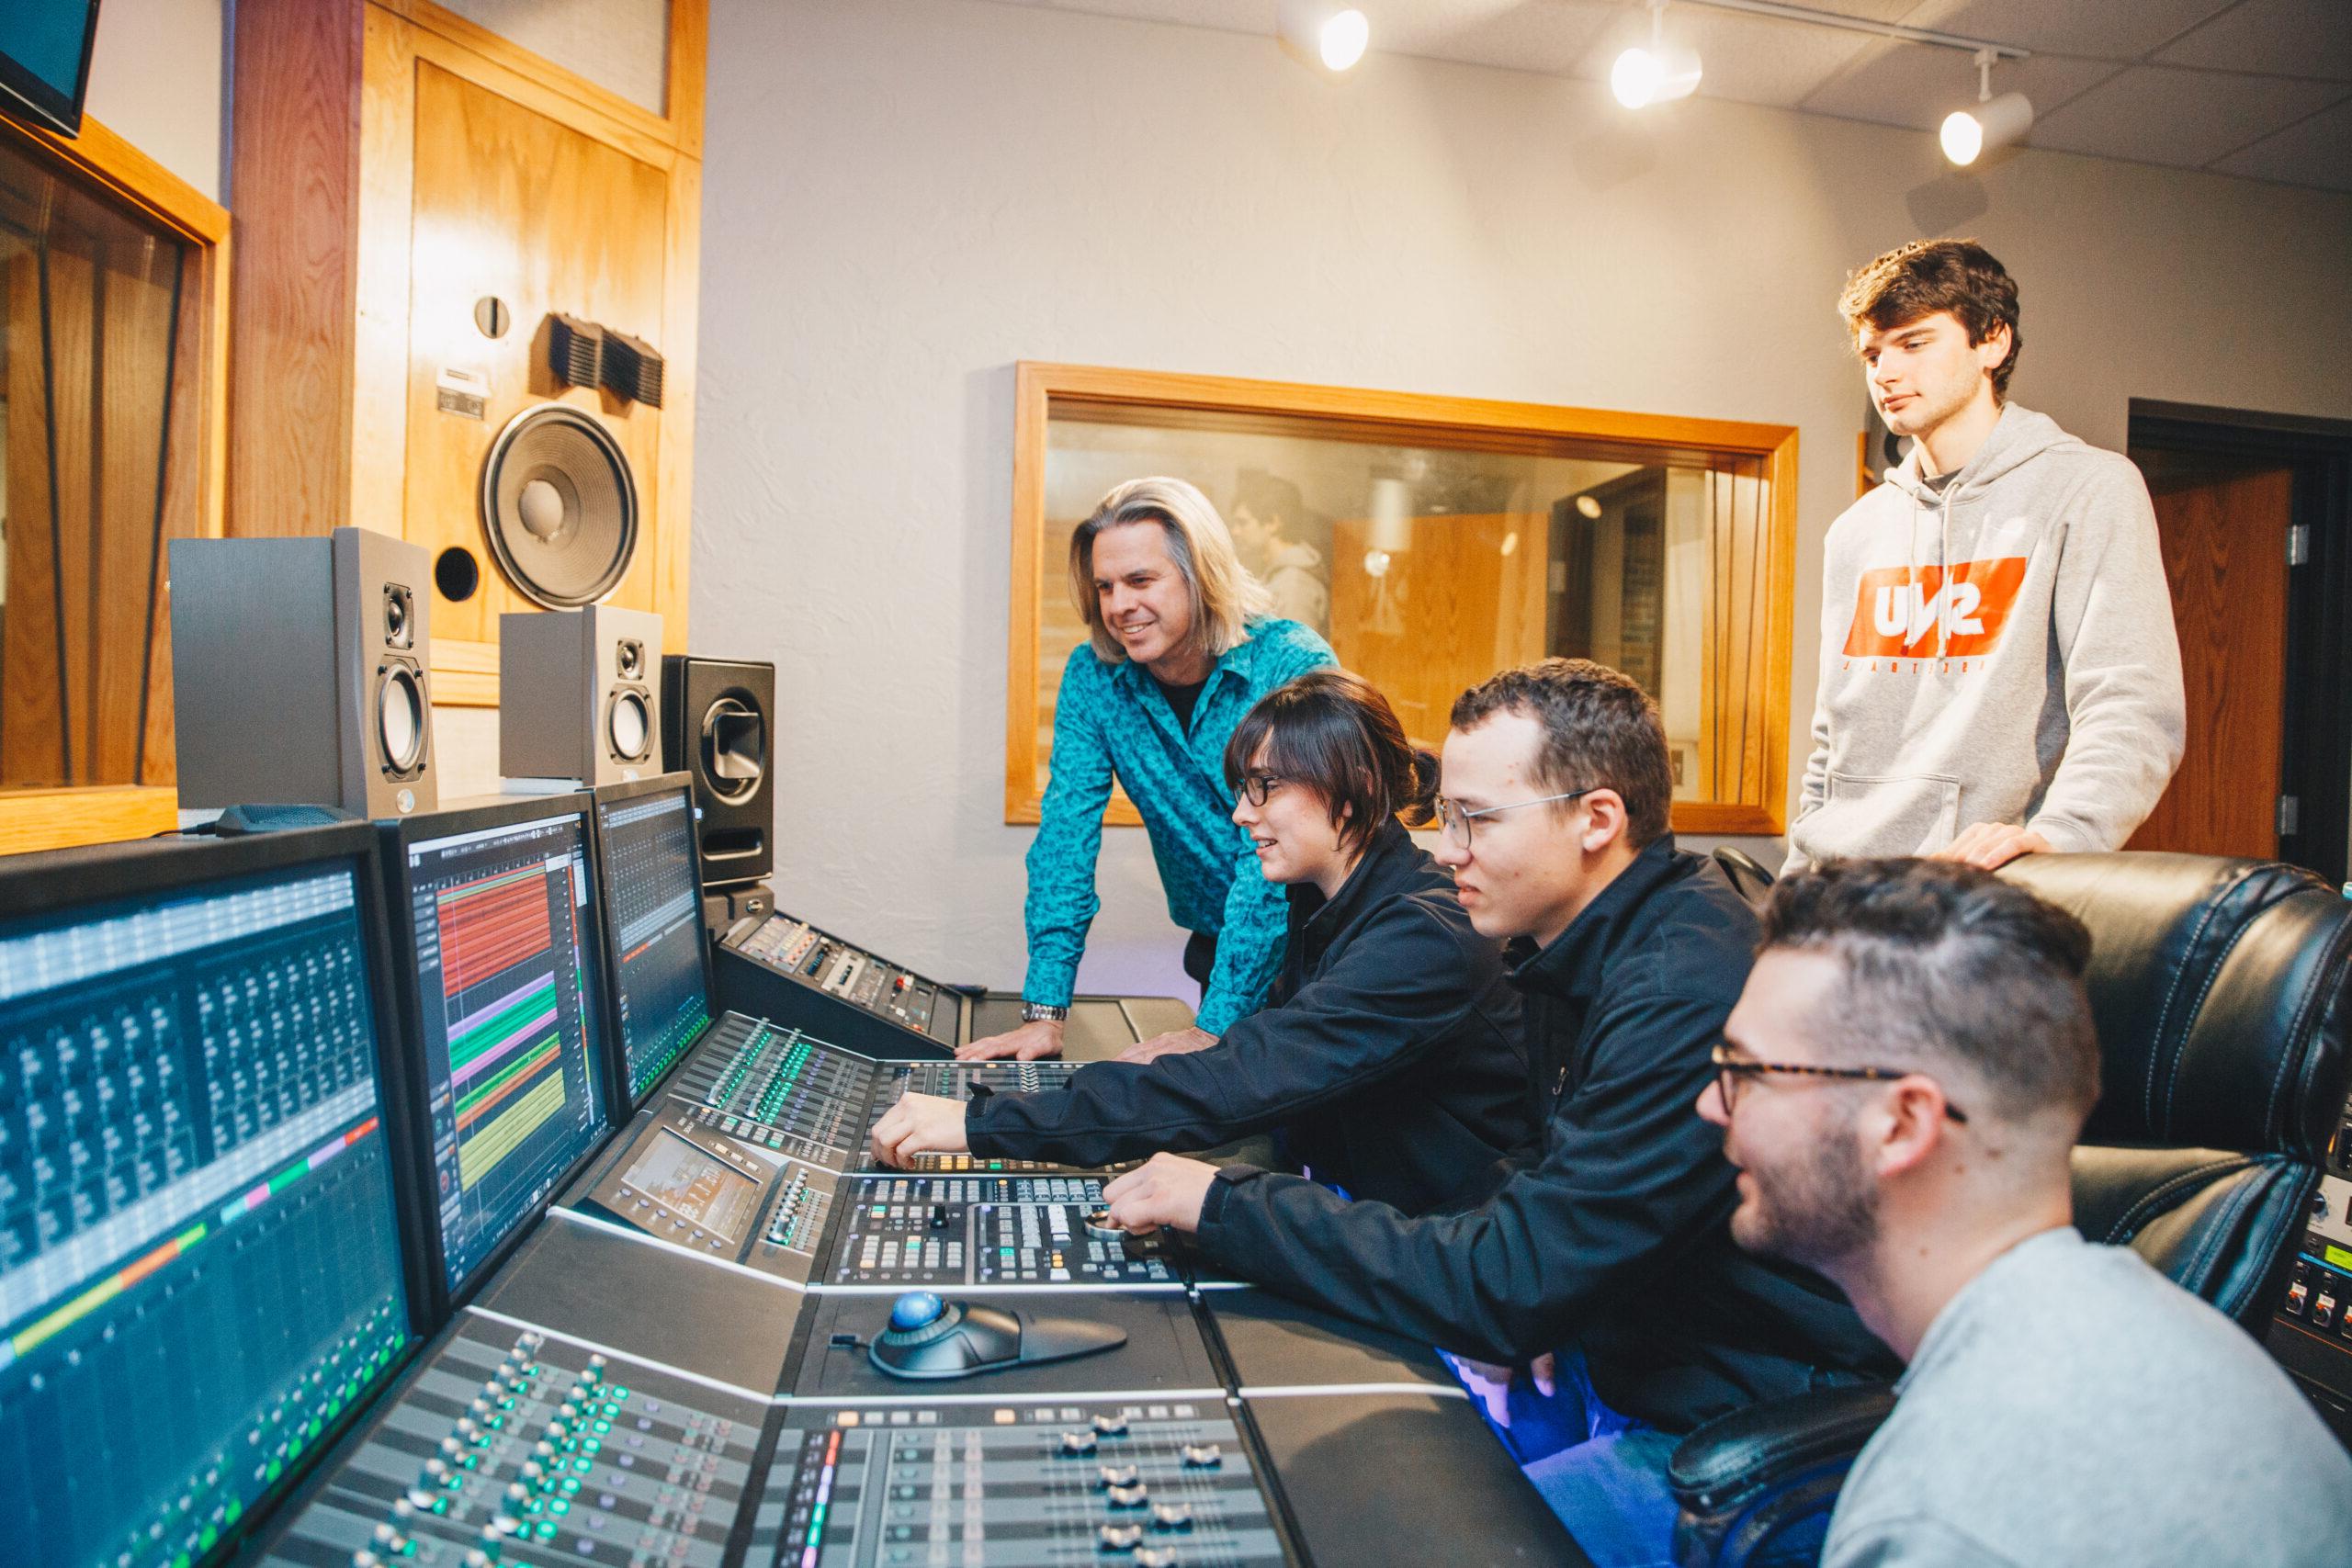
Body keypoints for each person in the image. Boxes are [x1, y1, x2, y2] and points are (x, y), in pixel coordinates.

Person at [1100, 659, 1894, 1565]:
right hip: (1627, 1355)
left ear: (1597, 820)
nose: (1448, 849)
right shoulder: (1572, 937)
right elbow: (1545, 1190)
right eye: (1448, 818)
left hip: (1750, 1431)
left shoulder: (1684, 982)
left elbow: (1508, 1286)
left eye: (1477, 821)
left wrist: (1224, 1207)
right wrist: (1542, 1284)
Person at [1700, 857, 2352, 1565]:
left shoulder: (1944, 1513)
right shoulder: (2183, 1338)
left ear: (1901, 1123)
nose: (1711, 1103)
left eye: (1746, 1072)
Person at [871, 670, 1533, 1214]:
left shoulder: (1423, 933)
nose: (1243, 812)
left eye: (1265, 786)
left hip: (1447, 1250)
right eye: (1245, 787)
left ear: (1354, 789)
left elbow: (1241, 1078)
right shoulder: (1322, 898)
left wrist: (979, 1124)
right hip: (1363, 1201)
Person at [1788, 238, 2184, 873]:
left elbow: (2131, 706)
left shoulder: (2088, 490)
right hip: (1837, 898)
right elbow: (1834, 739)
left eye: (1913, 343)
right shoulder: (1858, 530)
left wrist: (2063, 836)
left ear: (1992, 342)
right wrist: (1795, 877)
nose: (1885, 371)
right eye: (1872, 352)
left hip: (1980, 906)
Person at [965, 477, 1335, 1064]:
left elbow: (1271, 850)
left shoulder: (1289, 662)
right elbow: (1065, 840)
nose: (1118, 606)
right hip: (1219, 947)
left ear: (1201, 575)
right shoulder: (1093, 678)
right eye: (1105, 586)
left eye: (1141, 581)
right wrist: (1045, 1011)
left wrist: (1214, 1027)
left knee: (1309, 1147)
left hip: (1323, 948)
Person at [1228, 469, 1331, 635]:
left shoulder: (1295, 585)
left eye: (1243, 523)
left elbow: (1298, 655)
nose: (1235, 531)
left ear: (1273, 523)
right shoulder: (1277, 574)